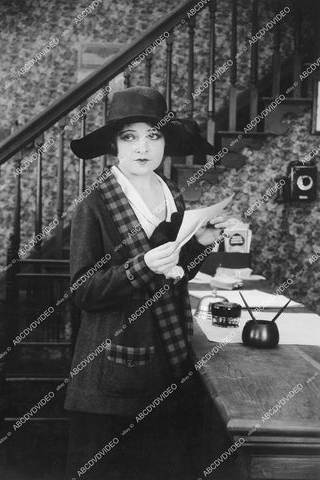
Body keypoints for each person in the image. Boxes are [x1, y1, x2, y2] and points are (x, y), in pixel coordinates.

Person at [65, 86, 236, 480]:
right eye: (130, 137)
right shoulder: (95, 201)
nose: (143, 147)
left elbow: (171, 273)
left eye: (153, 135)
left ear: (165, 142)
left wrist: (199, 246)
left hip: (167, 353)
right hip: (113, 366)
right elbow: (83, 292)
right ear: (114, 143)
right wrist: (141, 265)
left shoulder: (170, 191)